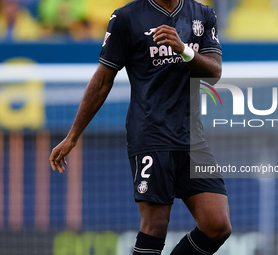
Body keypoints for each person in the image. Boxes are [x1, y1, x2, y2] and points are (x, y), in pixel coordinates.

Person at [49, 0, 232, 254]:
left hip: (192, 137)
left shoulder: (202, 14)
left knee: (217, 225)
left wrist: (183, 49)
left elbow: (214, 73)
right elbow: (102, 80)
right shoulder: (127, 17)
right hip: (151, 135)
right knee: (155, 226)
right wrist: (72, 136)